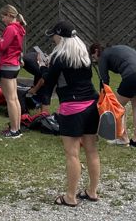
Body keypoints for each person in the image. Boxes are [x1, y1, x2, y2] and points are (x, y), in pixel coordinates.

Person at [36, 20, 100, 206]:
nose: (53, 40)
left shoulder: (59, 57)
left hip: (72, 107)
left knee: (72, 154)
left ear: (60, 37)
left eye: (54, 36)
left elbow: (49, 81)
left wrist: (42, 66)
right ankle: (92, 191)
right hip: (92, 104)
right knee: (91, 150)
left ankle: (70, 196)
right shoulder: (83, 54)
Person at [90, 43, 136, 148]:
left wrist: (103, 97)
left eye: (94, 57)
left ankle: (123, 139)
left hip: (134, 75)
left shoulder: (103, 56)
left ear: (96, 51)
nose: (95, 60)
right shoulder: (120, 48)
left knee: (117, 107)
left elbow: (104, 80)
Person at [0, 4, 27, 138]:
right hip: (14, 64)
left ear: (10, 15)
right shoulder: (19, 27)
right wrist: (0, 37)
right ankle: (17, 128)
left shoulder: (10, 28)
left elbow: (2, 47)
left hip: (7, 65)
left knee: (10, 99)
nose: (2, 19)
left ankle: (14, 130)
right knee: (14, 98)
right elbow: (11, 44)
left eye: (3, 17)